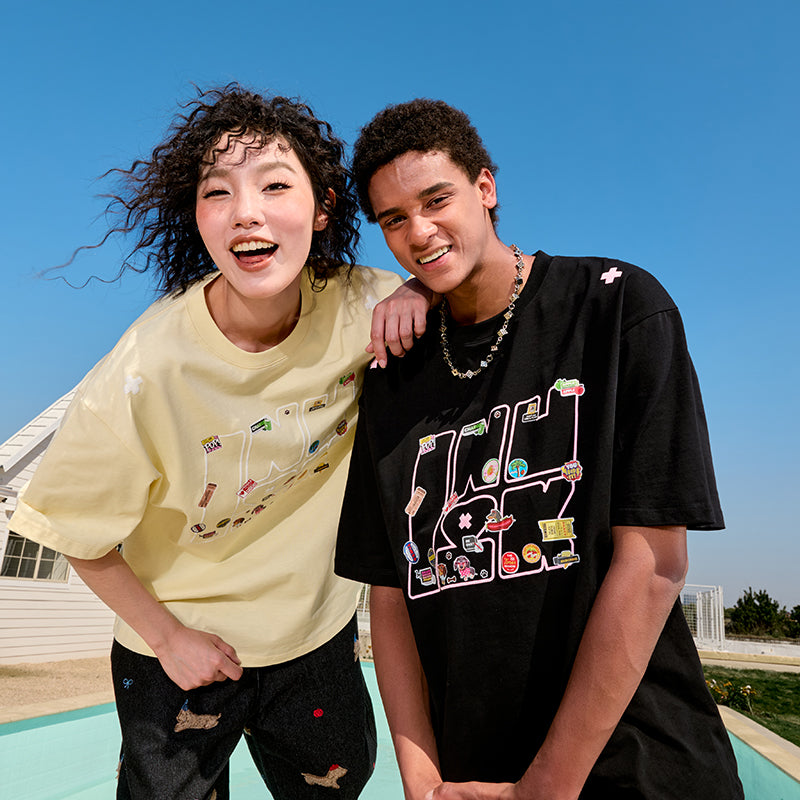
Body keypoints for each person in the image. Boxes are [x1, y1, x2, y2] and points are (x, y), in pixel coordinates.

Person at [10, 85, 432, 800]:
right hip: (176, 646)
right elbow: (75, 533)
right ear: (197, 219)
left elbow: (467, 299)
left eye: (275, 185)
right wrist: (168, 639)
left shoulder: (366, 303)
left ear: (323, 208)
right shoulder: (145, 369)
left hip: (314, 637)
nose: (246, 211)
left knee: (341, 783)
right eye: (217, 193)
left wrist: (422, 291)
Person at [334, 98, 744, 800]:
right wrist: (421, 780)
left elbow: (655, 564)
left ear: (485, 188)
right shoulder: (393, 377)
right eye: (393, 219)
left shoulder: (616, 307)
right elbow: (391, 588)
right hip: (470, 772)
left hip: (638, 765)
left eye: (437, 200)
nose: (419, 232)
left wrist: (546, 788)